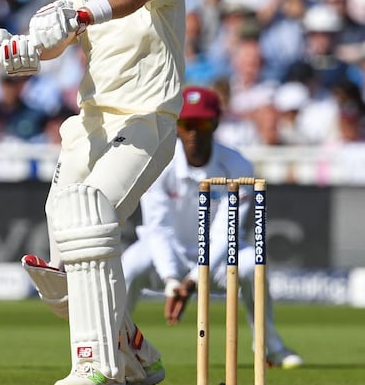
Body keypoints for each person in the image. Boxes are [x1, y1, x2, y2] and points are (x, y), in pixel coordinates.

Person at [0, 0, 186, 385]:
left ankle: (96, 365)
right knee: (63, 269)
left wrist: (79, 15)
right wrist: (26, 46)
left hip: (147, 120)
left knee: (90, 218)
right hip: (88, 129)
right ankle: (138, 355)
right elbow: (51, 44)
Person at [121, 86, 304, 369]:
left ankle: (270, 347)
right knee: (129, 264)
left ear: (216, 124)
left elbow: (225, 233)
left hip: (218, 261)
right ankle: (114, 346)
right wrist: (171, 279)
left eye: (203, 124)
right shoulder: (158, 163)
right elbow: (158, 228)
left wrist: (194, 280)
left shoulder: (237, 164)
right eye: (186, 124)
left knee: (253, 265)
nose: (194, 133)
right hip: (169, 258)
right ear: (176, 126)